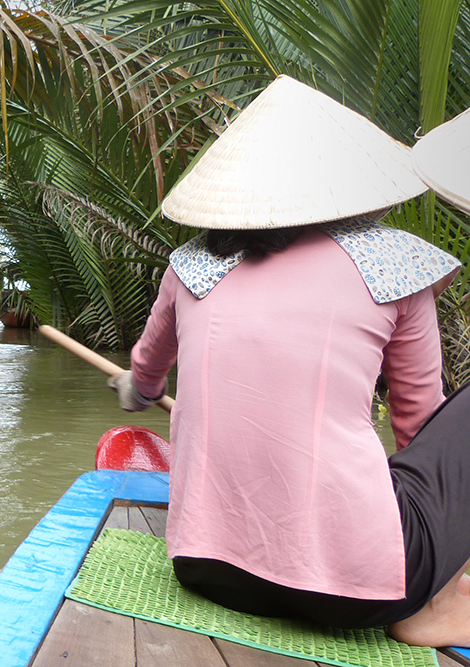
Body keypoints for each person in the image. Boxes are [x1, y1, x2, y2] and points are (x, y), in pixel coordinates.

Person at [110, 75, 469, 647]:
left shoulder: (189, 267)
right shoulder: (398, 264)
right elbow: (418, 427)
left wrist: (137, 388)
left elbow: (147, 376)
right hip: (361, 594)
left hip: (205, 570)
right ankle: (438, 604)